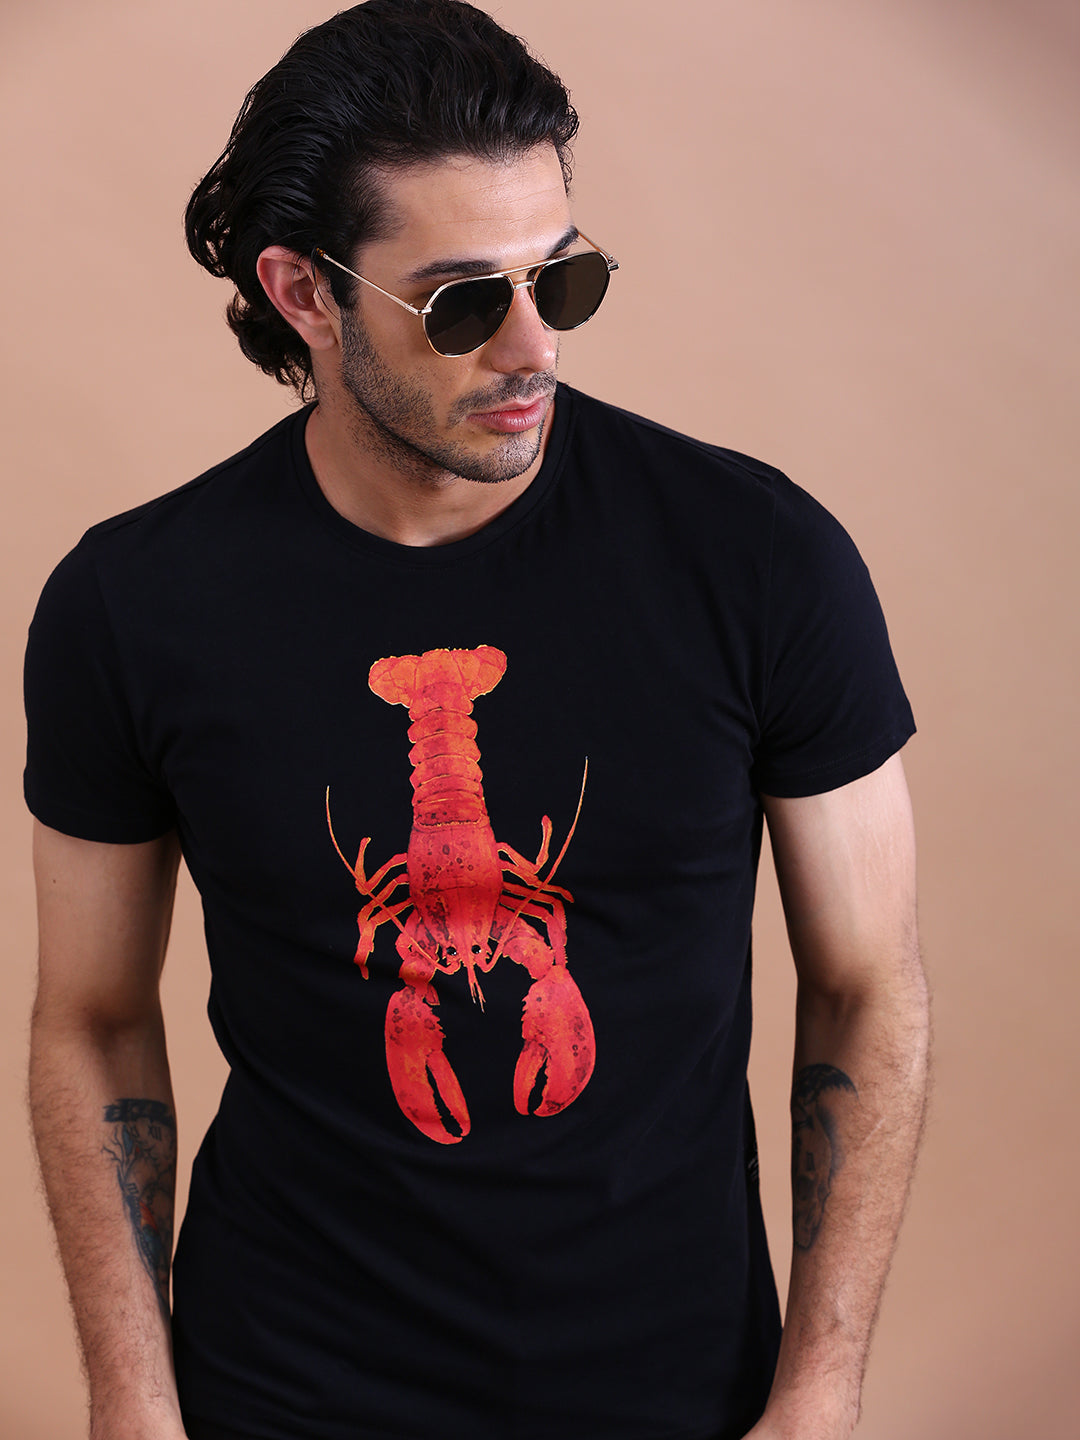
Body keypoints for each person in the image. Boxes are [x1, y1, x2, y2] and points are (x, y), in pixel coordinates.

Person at [24, 2, 929, 1438]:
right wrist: (133, 1411)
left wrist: (814, 1403)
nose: (532, 347)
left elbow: (869, 989)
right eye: (459, 303)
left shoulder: (760, 559)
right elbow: (90, 1020)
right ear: (303, 293)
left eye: (562, 280)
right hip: (284, 1391)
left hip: (677, 1392)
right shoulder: (131, 604)